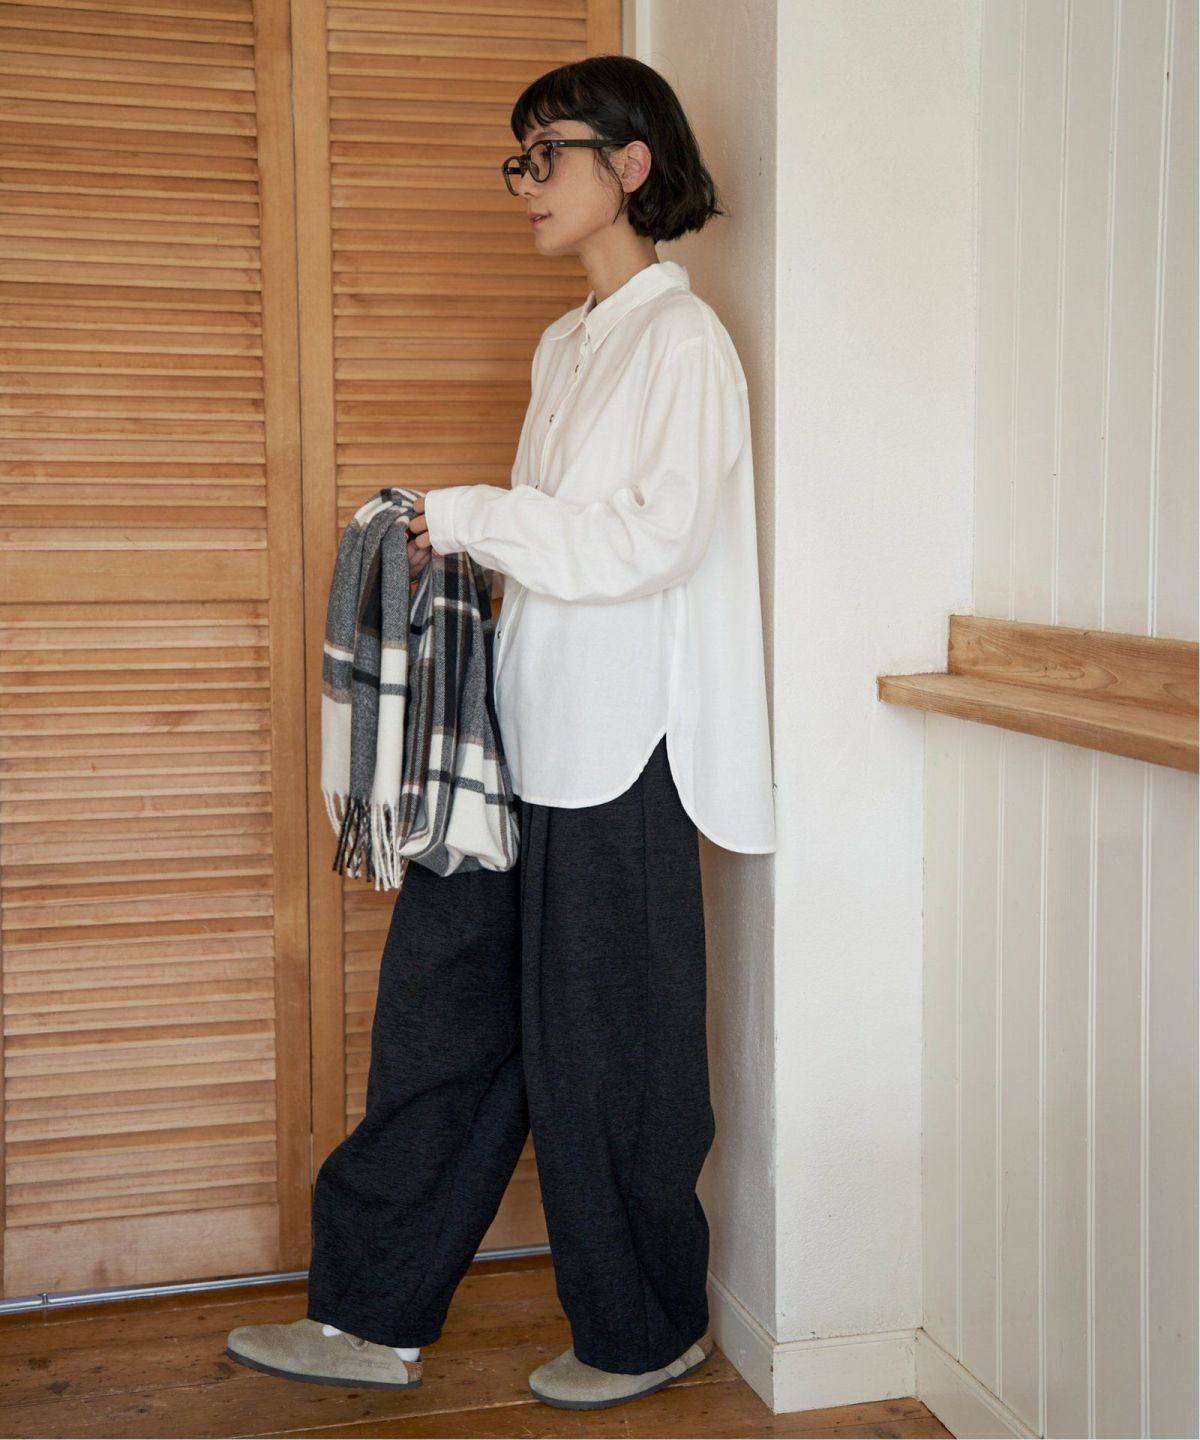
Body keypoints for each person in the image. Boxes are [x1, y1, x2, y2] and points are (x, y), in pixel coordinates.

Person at [226, 53, 775, 1412]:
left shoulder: (684, 342)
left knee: (611, 1058)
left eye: (549, 154)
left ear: (630, 166)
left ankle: (645, 1333)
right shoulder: (568, 343)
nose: (526, 182)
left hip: (626, 752)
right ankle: (367, 1317)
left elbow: (655, 541)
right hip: (509, 745)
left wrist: (471, 512)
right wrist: (455, 549)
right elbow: (564, 546)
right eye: (518, 160)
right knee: (442, 1027)